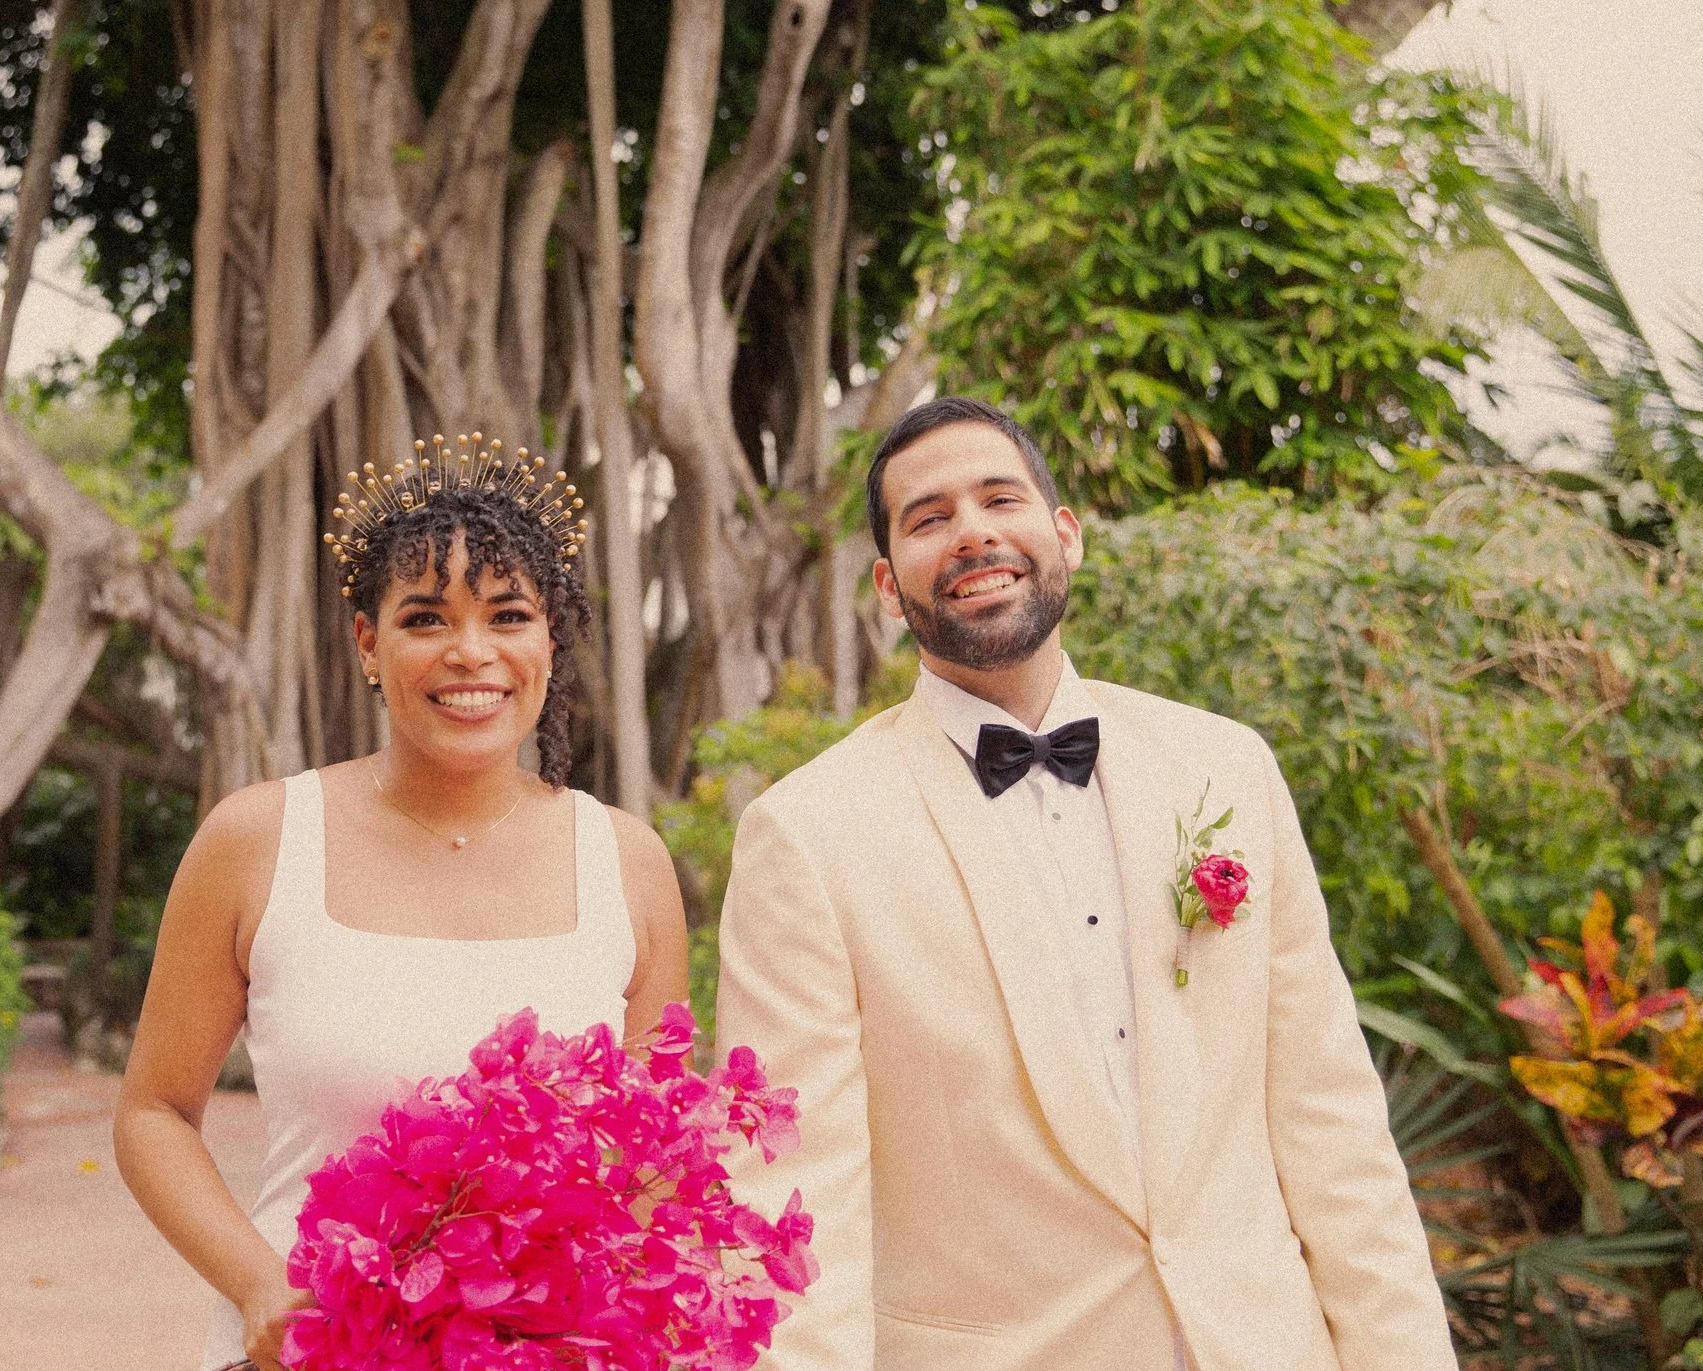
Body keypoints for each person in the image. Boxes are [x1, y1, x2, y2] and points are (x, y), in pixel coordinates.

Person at [715, 397, 1453, 1371]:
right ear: (890, 589)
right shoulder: (808, 835)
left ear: (1065, 535)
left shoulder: (1223, 766)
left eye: (999, 497)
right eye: (930, 516)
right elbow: (791, 1195)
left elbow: (1330, 1118)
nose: (973, 530)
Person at [112, 437, 691, 1371]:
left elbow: (655, 1160)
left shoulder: (626, 861)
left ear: (549, 639)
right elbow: (153, 1111)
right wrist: (260, 1286)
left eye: (509, 615)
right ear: (368, 642)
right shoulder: (257, 840)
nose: (473, 653)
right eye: (426, 618)